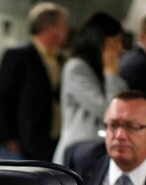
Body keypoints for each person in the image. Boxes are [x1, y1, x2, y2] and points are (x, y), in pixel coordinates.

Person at [0, 2, 69, 161]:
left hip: (54, 141)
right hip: (27, 144)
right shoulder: (19, 55)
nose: (67, 29)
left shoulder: (59, 59)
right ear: (49, 27)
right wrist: (9, 138)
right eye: (63, 25)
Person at [52, 12, 127, 164]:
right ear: (100, 42)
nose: (121, 49)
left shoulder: (101, 71)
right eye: (117, 41)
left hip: (97, 153)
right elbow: (109, 111)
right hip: (77, 155)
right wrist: (111, 74)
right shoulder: (76, 67)